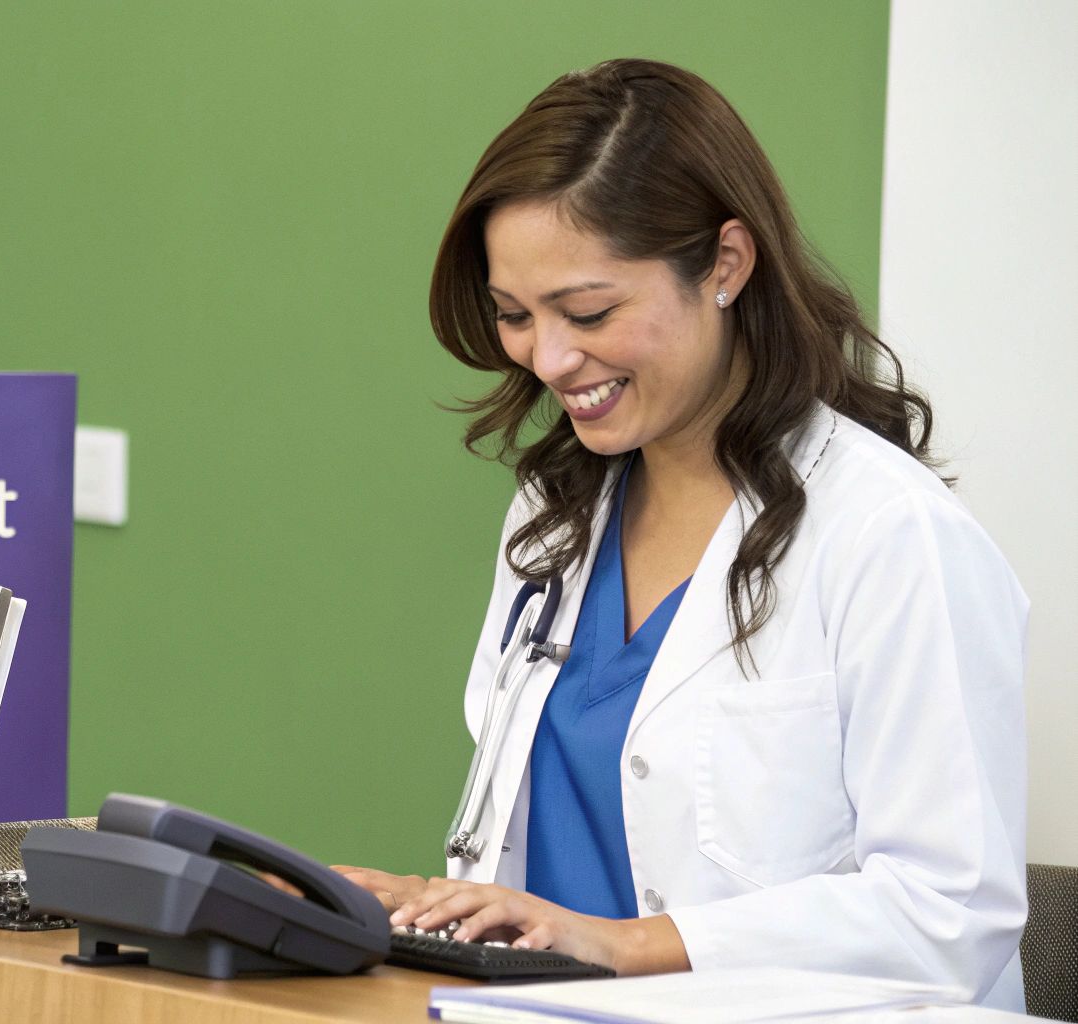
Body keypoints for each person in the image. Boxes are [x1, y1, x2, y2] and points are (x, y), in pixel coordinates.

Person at [335, 59, 1030, 1010]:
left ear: (726, 265)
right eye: (513, 316)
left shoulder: (890, 535)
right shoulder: (554, 520)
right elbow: (556, 858)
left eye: (589, 311)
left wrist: (629, 945)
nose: (549, 358)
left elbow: (949, 917)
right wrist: (446, 907)